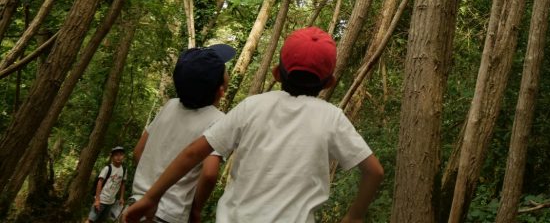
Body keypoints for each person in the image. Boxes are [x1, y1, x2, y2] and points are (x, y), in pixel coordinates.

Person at [125, 27, 384, 223]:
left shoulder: (252, 106)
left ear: (276, 73)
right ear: (329, 83)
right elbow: (374, 171)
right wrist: (354, 217)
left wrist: (151, 197)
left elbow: (194, 152)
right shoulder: (332, 117)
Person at [130, 43, 235, 223]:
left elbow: (138, 151)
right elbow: (209, 174)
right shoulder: (218, 120)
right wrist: (195, 210)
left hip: (136, 206)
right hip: (169, 214)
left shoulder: (169, 106)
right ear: (221, 90)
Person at [86, 146, 126, 223]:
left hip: (111, 202)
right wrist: (97, 200)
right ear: (112, 157)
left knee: (101, 221)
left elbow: (123, 183)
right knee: (91, 220)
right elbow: (99, 182)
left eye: (121, 154)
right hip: (101, 199)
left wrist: (121, 197)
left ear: (124, 156)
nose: (118, 157)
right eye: (116, 155)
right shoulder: (107, 168)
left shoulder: (124, 170)